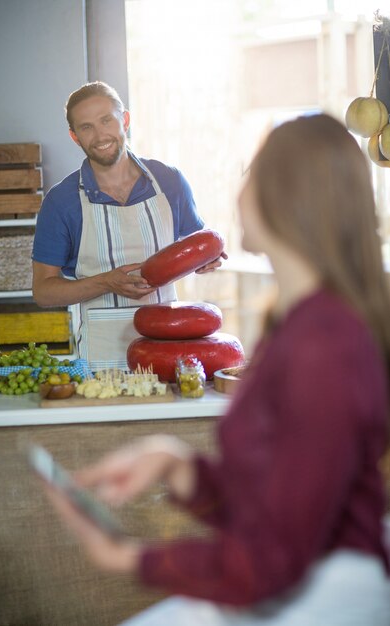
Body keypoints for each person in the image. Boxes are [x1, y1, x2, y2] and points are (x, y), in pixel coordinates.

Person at [43, 114, 390, 625]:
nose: (239, 188)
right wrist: (175, 464)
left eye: (250, 172)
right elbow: (270, 499)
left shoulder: (324, 346)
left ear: (285, 195)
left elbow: (274, 556)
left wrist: (131, 558)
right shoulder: (293, 327)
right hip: (298, 578)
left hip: (327, 594)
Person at [32, 81, 225, 370]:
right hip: (101, 363)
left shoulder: (169, 182)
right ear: (75, 137)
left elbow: (196, 248)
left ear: (125, 119)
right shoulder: (61, 201)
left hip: (168, 352)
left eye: (106, 120)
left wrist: (208, 260)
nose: (100, 136)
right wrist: (104, 281)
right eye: (86, 127)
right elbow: (43, 292)